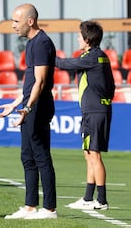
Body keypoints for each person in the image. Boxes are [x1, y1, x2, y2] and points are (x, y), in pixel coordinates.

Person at [0, 4, 57, 219]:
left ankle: (49, 209)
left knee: (41, 156)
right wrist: (15, 104)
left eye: (16, 21)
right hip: (29, 105)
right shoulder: (32, 43)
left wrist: (28, 108)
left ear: (30, 21)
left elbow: (40, 82)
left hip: (38, 107)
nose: (13, 25)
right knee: (27, 156)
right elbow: (31, 83)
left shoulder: (42, 43)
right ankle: (30, 206)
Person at [55, 20, 115, 210]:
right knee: (88, 153)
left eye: (79, 36)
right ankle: (88, 198)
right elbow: (111, 86)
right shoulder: (100, 56)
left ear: (87, 39)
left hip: (94, 111)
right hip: (96, 110)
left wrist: (47, 56)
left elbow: (65, 64)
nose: (77, 38)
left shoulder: (91, 57)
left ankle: (102, 200)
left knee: (94, 155)